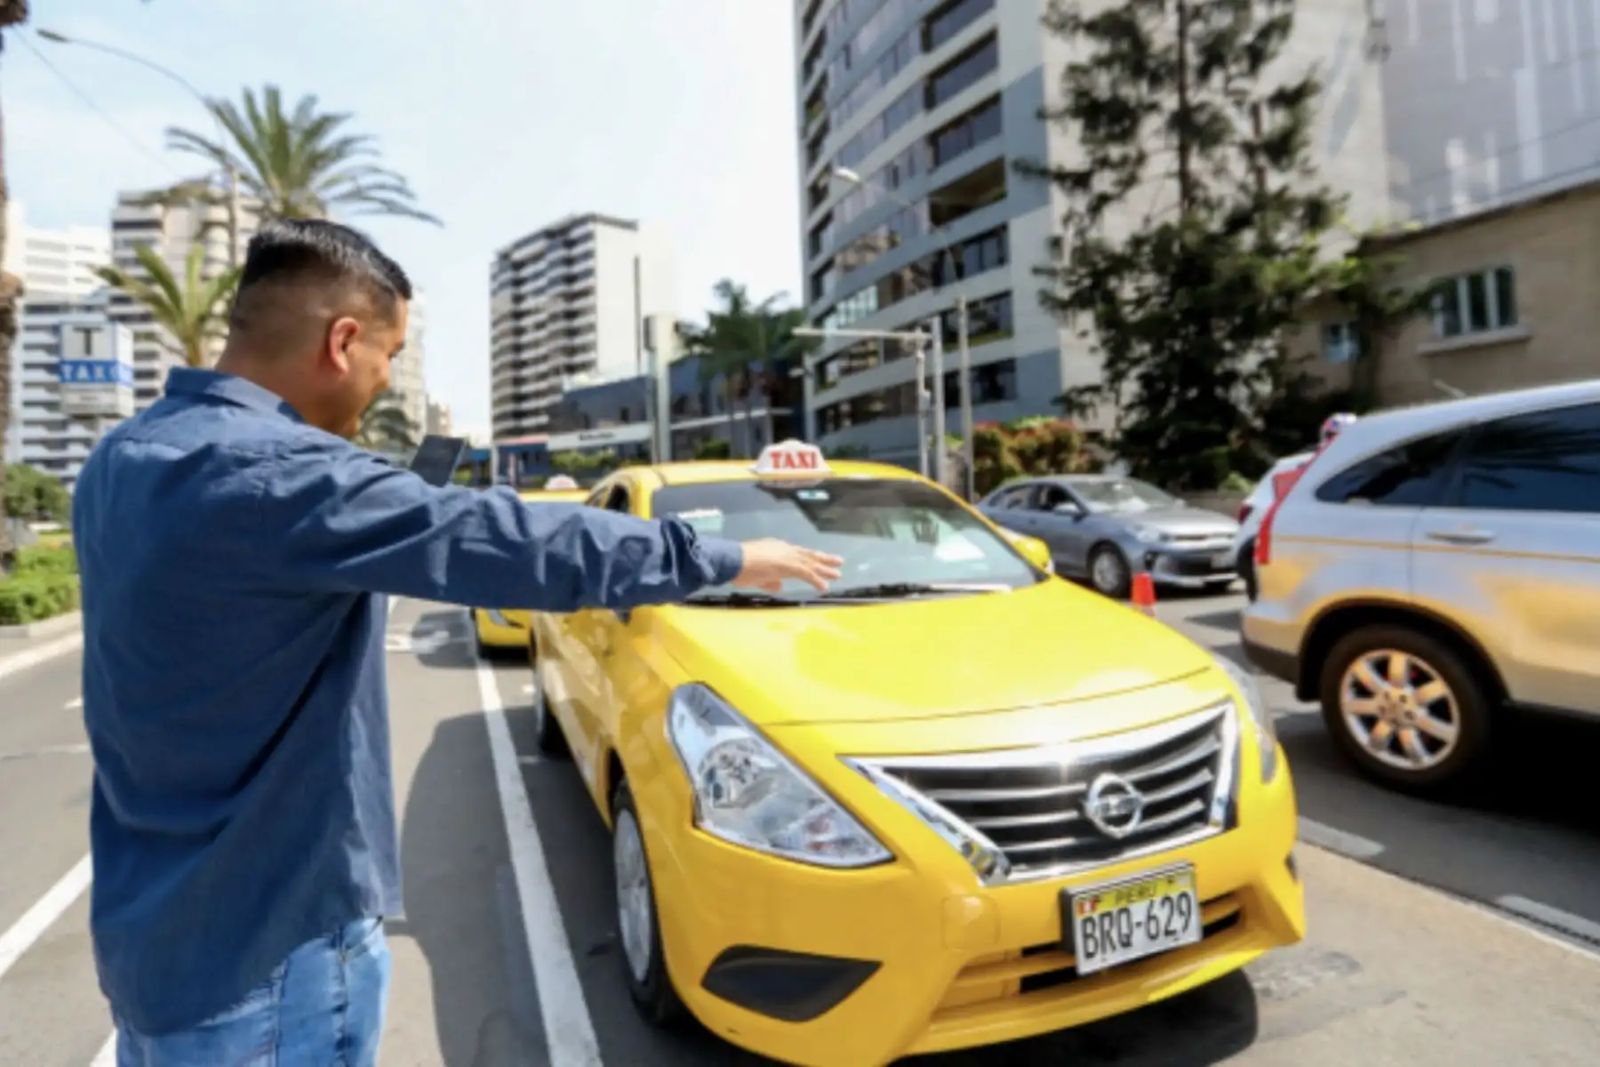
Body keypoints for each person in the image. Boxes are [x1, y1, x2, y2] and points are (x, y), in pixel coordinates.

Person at [72, 218, 842, 1065]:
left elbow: (253, 587)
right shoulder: (289, 479)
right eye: (388, 353)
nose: (385, 377)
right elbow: (518, 542)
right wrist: (727, 554)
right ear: (342, 341)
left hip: (154, 951)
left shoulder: (123, 459)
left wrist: (386, 507)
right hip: (270, 960)